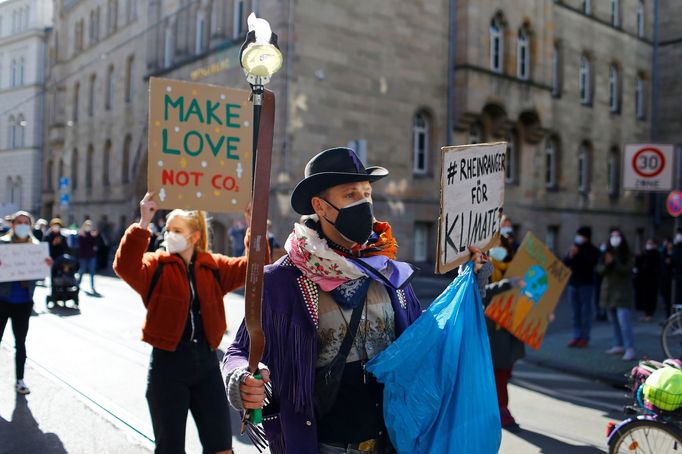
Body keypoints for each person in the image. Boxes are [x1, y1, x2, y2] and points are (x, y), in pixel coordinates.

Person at [222, 147, 423, 454]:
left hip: (394, 442)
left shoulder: (387, 269)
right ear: (321, 206)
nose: (365, 203)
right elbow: (240, 350)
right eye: (351, 194)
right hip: (324, 445)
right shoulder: (282, 280)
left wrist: (470, 283)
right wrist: (241, 379)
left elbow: (426, 337)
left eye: (367, 193)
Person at [113, 192, 251, 454]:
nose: (169, 234)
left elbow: (252, 269)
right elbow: (125, 267)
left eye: (177, 230)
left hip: (207, 363)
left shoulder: (213, 266)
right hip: (168, 365)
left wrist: (252, 227)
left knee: (221, 446)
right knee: (170, 448)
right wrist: (144, 222)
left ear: (195, 236)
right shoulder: (156, 264)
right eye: (167, 229)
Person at [0, 211, 52, 394]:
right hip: (2, 300)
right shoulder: (2, 244)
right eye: (19, 222)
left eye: (26, 222)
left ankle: (20, 380)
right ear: (13, 225)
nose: (22, 225)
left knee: (20, 342)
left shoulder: (36, 247)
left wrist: (46, 265)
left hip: (23, 302)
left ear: (30, 226)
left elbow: (37, 275)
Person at [486, 220, 525, 432]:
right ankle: (502, 412)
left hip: (510, 327)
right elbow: (483, 292)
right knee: (499, 373)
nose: (500, 250)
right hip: (493, 328)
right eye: (497, 246)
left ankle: (497, 409)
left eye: (502, 246)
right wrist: (507, 284)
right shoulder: (485, 265)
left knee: (505, 372)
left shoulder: (511, 264)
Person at [598, 228, 636, 361]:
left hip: (622, 293)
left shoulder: (627, 254)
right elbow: (599, 270)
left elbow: (627, 270)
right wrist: (607, 265)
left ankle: (629, 347)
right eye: (612, 236)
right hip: (609, 292)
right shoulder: (606, 253)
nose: (615, 239)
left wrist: (615, 262)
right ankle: (618, 344)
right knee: (614, 321)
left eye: (617, 236)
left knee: (624, 322)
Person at [563, 226, 600, 348]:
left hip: (586, 284)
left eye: (581, 235)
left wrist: (579, 255)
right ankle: (576, 336)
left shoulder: (592, 250)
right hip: (573, 283)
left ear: (587, 237)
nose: (579, 238)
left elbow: (591, 263)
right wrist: (571, 255)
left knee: (585, 312)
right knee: (575, 312)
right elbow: (565, 263)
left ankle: (585, 337)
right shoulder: (574, 247)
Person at [634, 238, 661, 321]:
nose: (648, 245)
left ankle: (650, 314)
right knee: (644, 298)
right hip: (643, 280)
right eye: (648, 243)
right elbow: (638, 263)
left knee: (650, 298)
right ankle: (646, 314)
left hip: (652, 280)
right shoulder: (644, 254)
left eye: (650, 243)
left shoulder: (657, 254)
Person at [77, 220, 99, 294]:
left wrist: (94, 237)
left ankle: (92, 286)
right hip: (83, 256)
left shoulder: (92, 235)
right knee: (82, 271)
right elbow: (81, 245)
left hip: (91, 256)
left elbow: (94, 245)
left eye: (89, 226)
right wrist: (86, 237)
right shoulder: (81, 234)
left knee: (92, 272)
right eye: (87, 225)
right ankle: (77, 284)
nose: (88, 227)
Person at [661, 238, 674, 319]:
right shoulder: (663, 253)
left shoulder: (676, 253)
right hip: (665, 279)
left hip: (673, 279)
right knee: (667, 298)